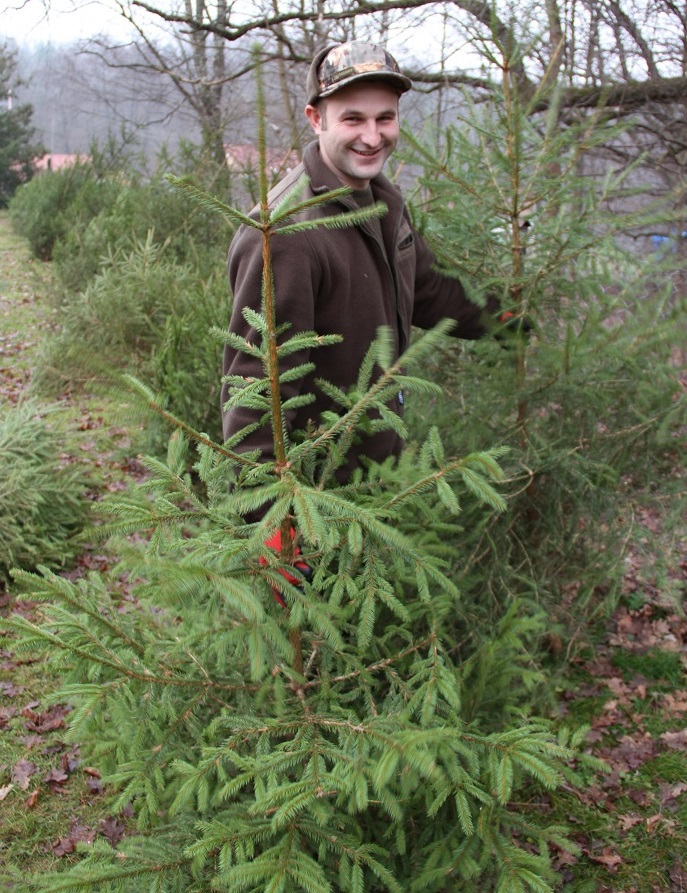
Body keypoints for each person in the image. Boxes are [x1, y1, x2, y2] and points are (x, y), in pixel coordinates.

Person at [222, 40, 503, 492]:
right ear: (317, 119)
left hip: (376, 483)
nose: (372, 137)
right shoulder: (286, 234)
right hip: (319, 499)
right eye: (353, 119)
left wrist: (504, 319)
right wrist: (271, 523)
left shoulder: (382, 202)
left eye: (384, 118)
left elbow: (427, 290)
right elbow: (258, 386)